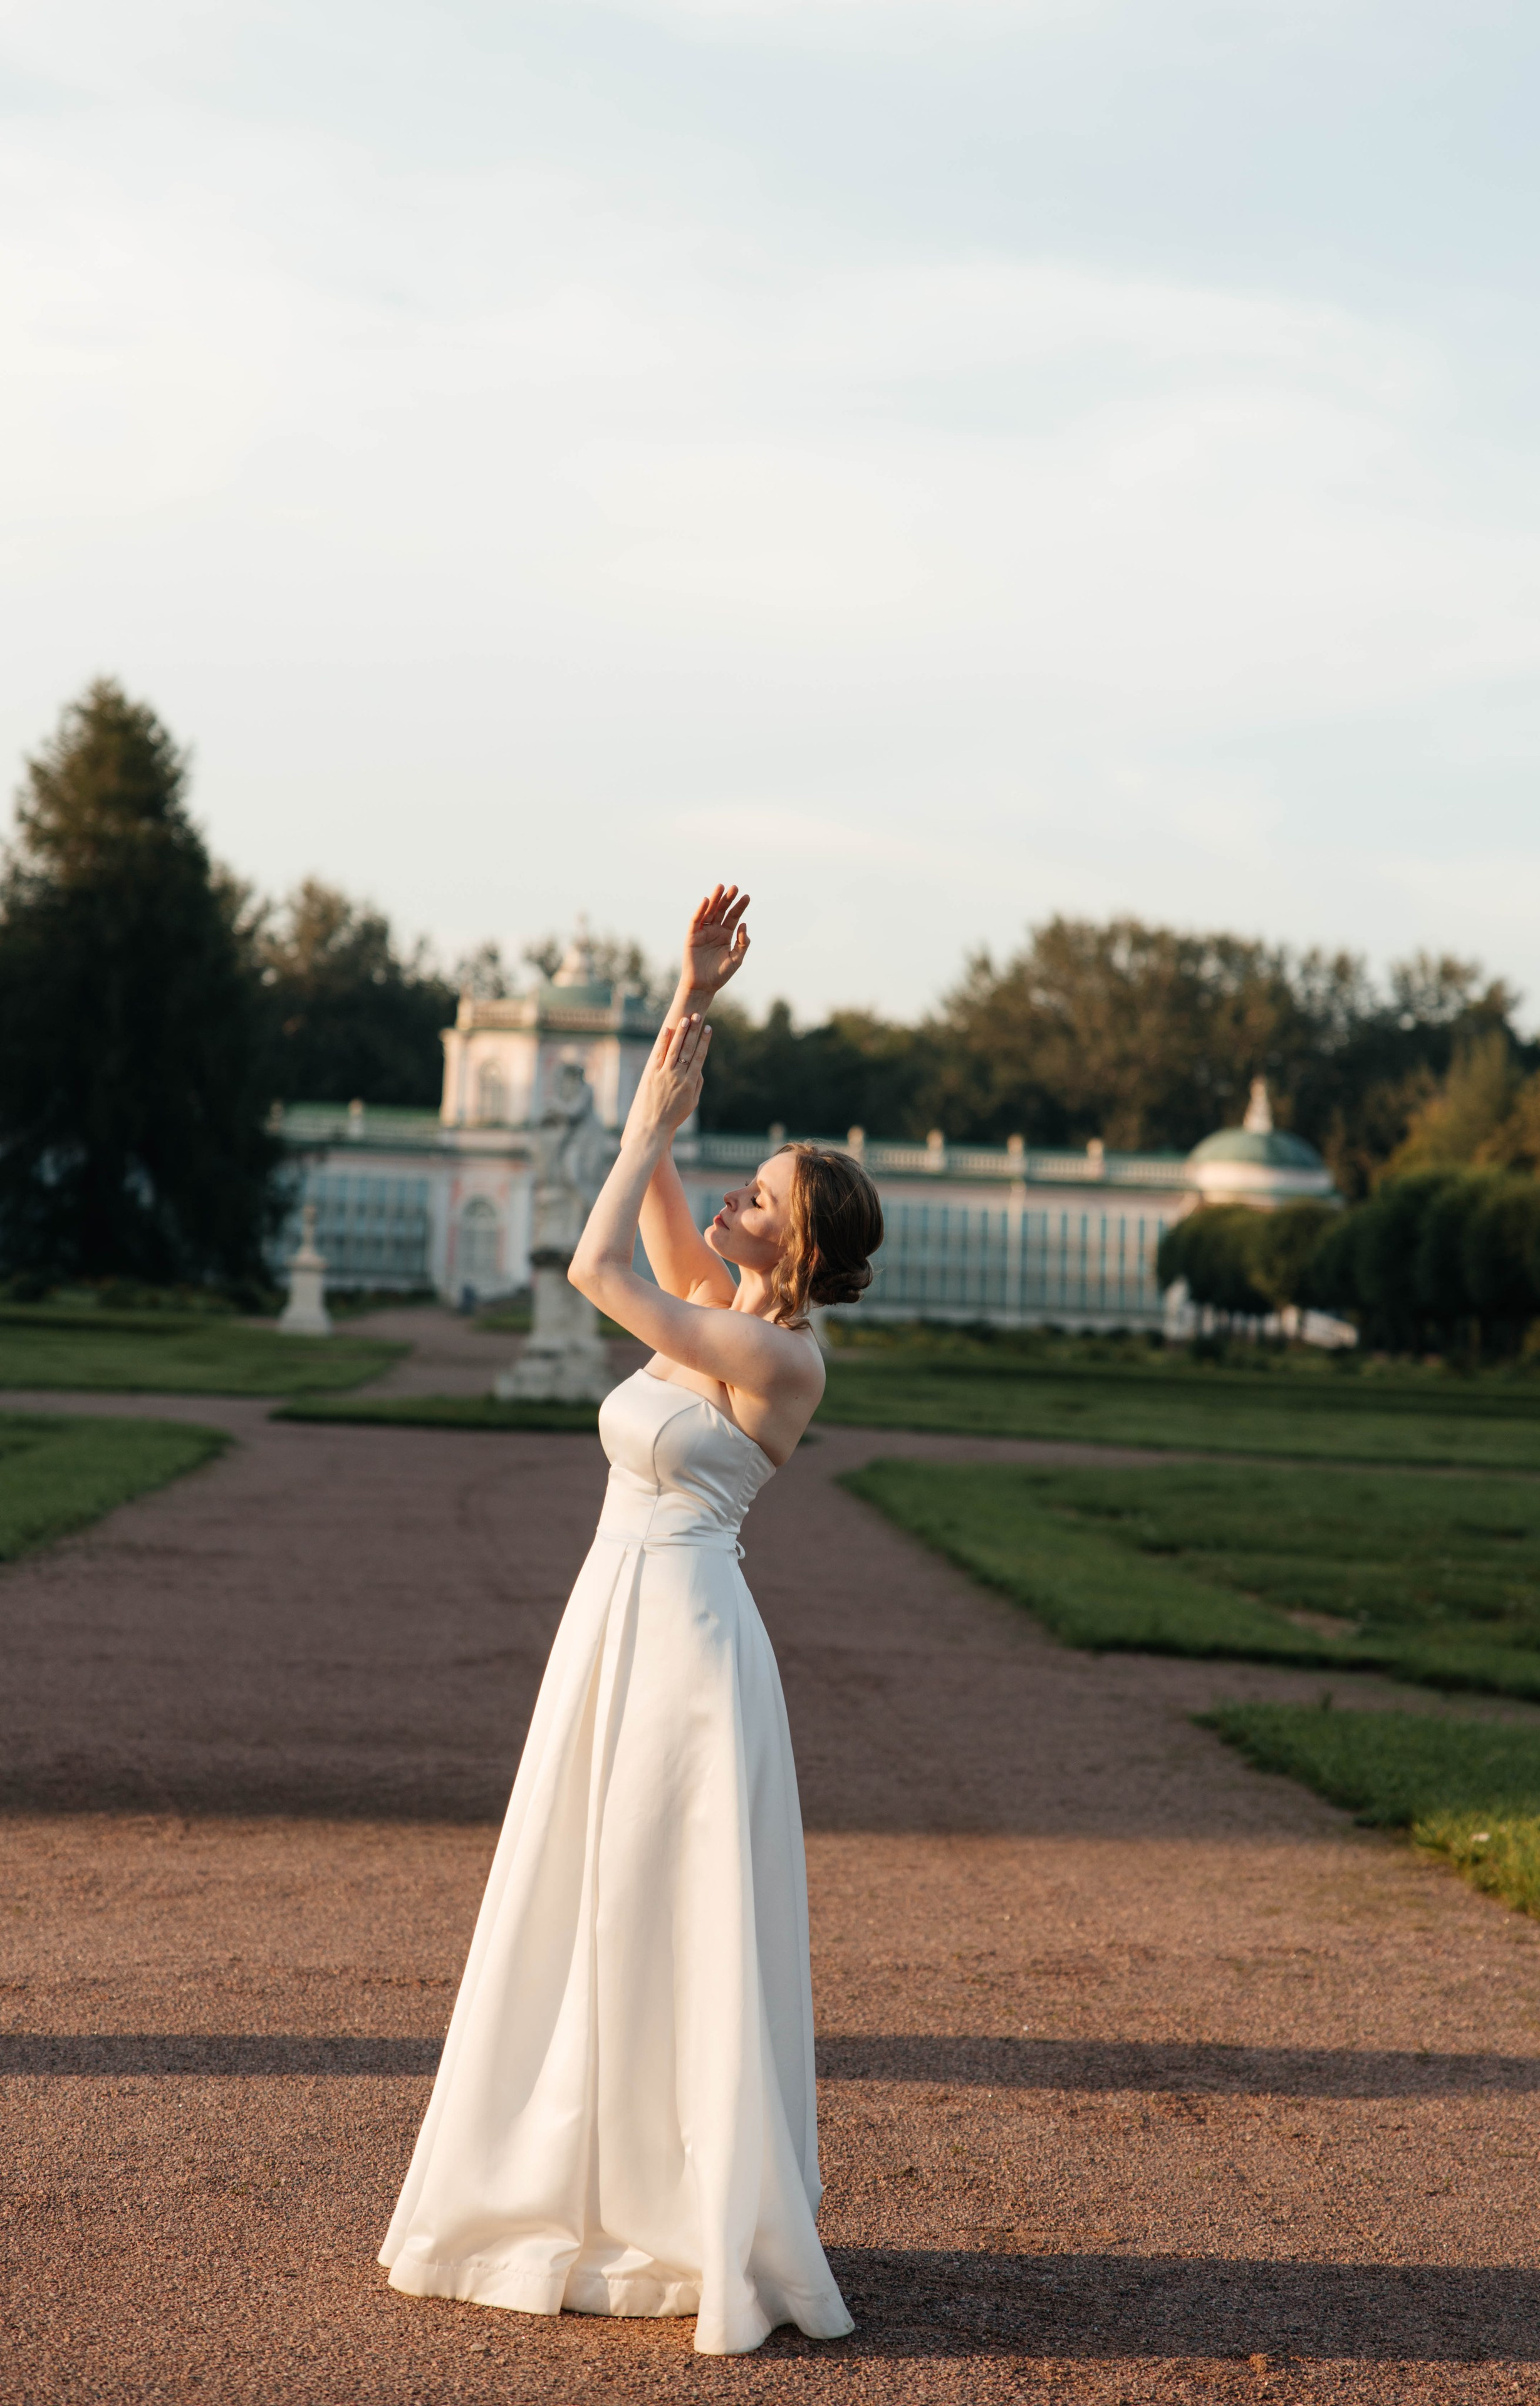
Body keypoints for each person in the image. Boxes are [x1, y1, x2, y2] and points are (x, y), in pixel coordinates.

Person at [380, 885, 884, 2357]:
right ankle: (582, 2181)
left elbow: (593, 1267)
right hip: (614, 1623)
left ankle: (684, 2205)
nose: (732, 1199)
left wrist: (648, 1134)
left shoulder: (777, 1359)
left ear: (797, 1248)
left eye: (759, 1199)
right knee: (584, 1896)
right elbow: (647, 1169)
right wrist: (690, 1002)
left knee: (668, 1911)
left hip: (689, 1653)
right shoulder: (715, 1301)